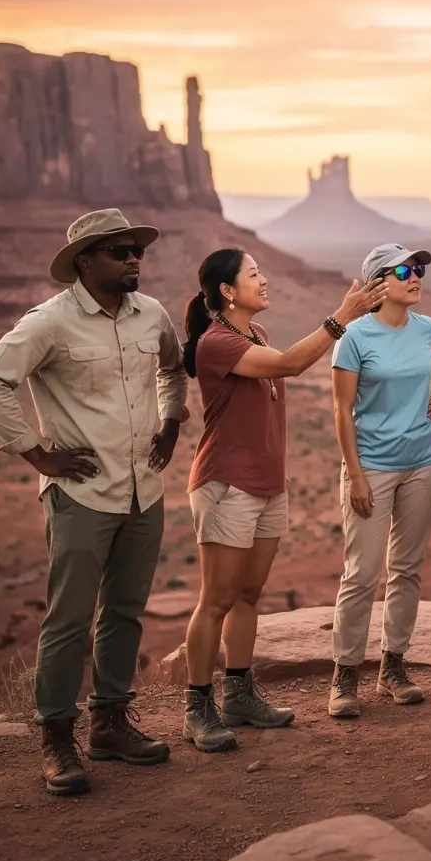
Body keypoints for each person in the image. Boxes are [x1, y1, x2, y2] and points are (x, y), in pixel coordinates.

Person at [0, 208, 188, 795]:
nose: (133, 258)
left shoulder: (153, 314)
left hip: (145, 487)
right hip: (83, 494)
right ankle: (56, 740)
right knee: (68, 620)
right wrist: (37, 454)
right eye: (119, 251)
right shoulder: (50, 323)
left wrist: (171, 421)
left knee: (125, 610)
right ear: (85, 262)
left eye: (135, 249)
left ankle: (111, 724)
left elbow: (173, 368)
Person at [180, 247, 386, 751]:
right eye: (254, 275)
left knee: (249, 596)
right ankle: (198, 706)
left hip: (267, 485)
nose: (264, 280)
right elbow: (292, 366)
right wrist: (343, 316)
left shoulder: (256, 333)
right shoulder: (216, 343)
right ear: (228, 291)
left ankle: (239, 695)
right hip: (227, 484)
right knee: (216, 600)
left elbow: (285, 360)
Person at [327, 244, 431, 718]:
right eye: (404, 270)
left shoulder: (429, 330)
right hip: (372, 467)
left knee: (407, 568)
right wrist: (354, 473)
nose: (415, 276)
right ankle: (345, 674)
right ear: (378, 283)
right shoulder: (354, 337)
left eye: (418, 268)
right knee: (361, 573)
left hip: (423, 460)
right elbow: (340, 409)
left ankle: (393, 666)